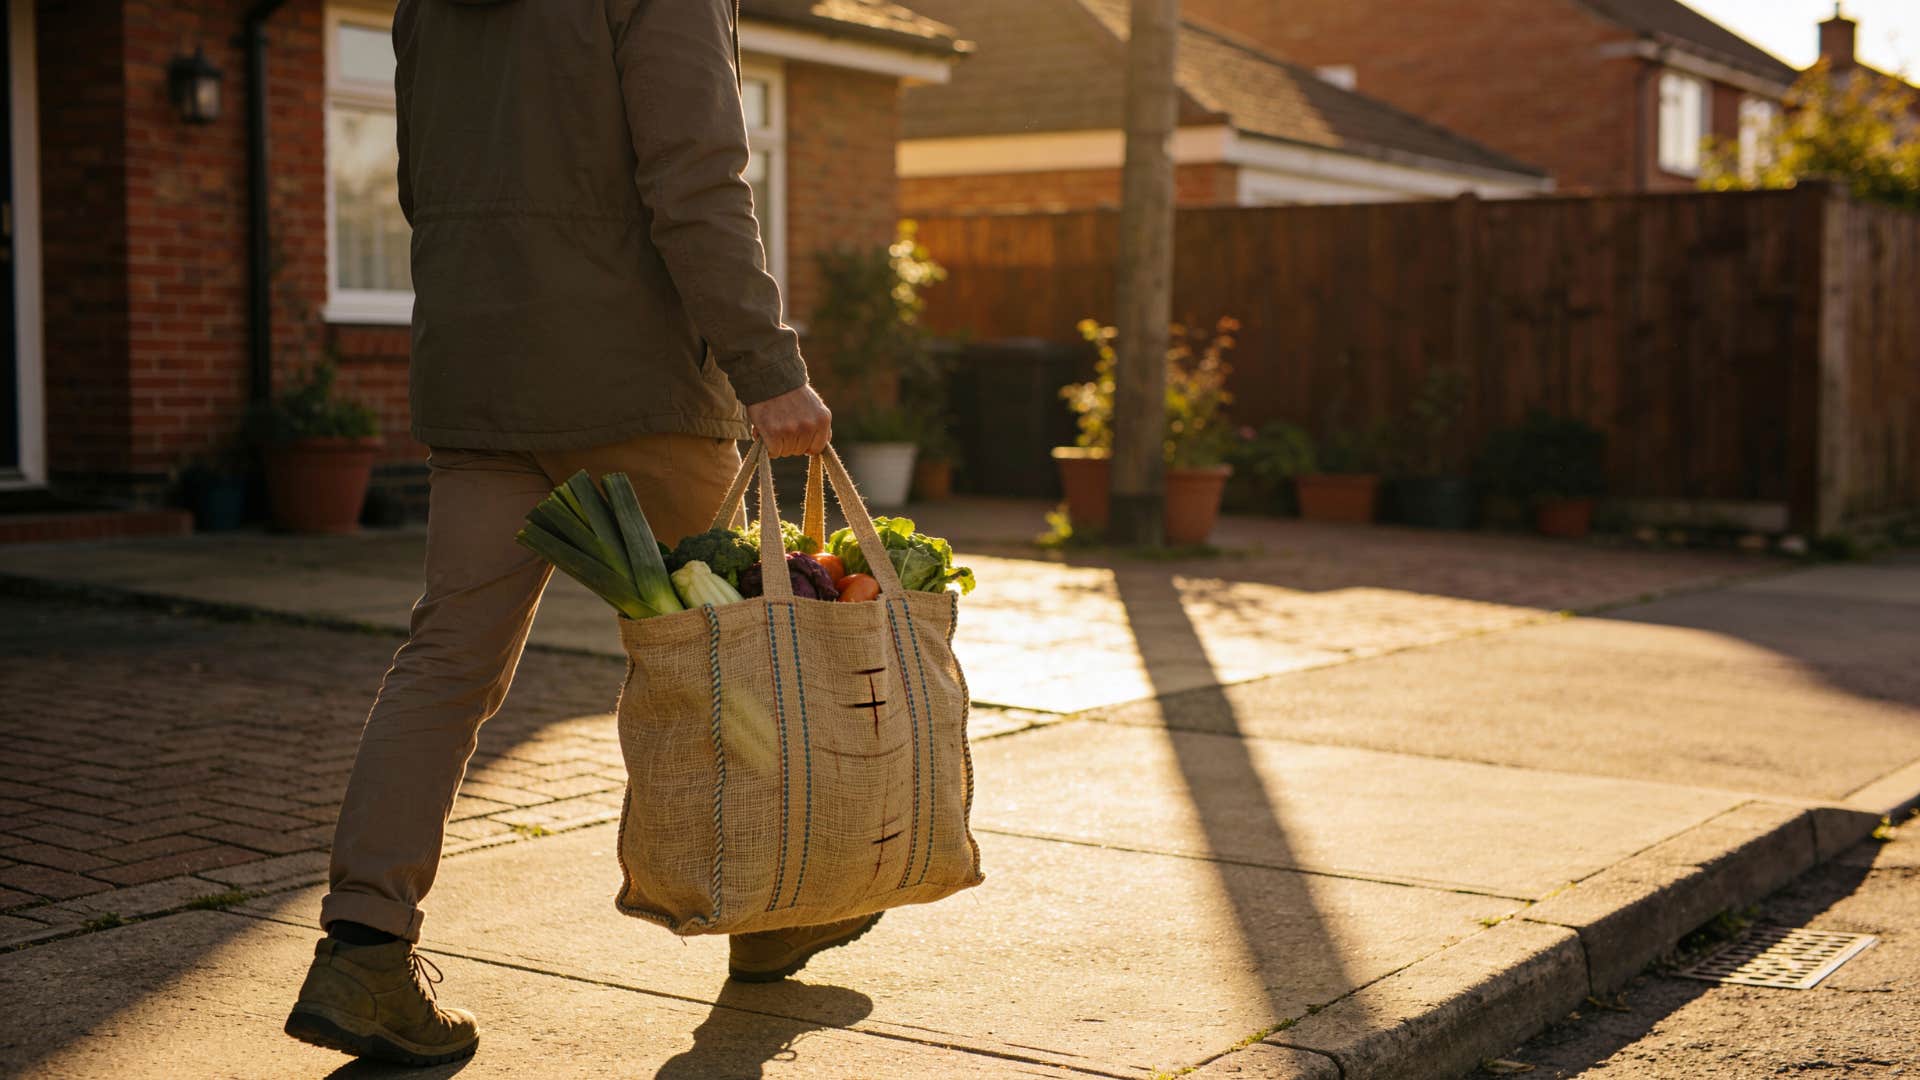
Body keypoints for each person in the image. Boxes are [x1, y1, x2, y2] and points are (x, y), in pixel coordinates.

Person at [284, 0, 875, 1066]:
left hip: (479, 371)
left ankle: (363, 952)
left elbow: (423, 189)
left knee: (446, 663)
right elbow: (696, 179)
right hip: (633, 379)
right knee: (729, 660)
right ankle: (772, 913)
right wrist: (768, 368)